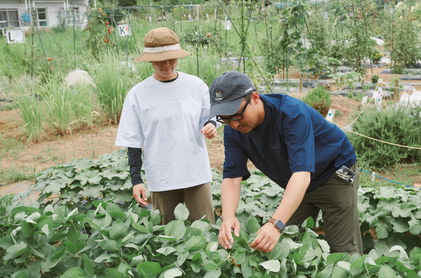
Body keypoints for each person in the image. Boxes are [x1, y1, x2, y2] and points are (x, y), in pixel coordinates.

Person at [209, 71, 363, 254]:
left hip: (334, 173)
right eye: (225, 119)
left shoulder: (291, 113)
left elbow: (302, 174)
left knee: (343, 250)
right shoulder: (233, 131)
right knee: (284, 244)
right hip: (298, 182)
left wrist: (276, 224)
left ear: (255, 98)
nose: (234, 124)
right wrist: (227, 217)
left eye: (236, 115)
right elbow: (232, 176)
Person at [115, 27, 217, 225]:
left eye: (171, 57)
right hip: (162, 177)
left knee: (205, 230)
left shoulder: (195, 86)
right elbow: (134, 142)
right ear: (149, 60)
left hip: (195, 173)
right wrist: (136, 180)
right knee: (168, 237)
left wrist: (211, 125)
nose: (167, 64)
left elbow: (209, 117)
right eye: (160, 59)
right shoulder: (138, 94)